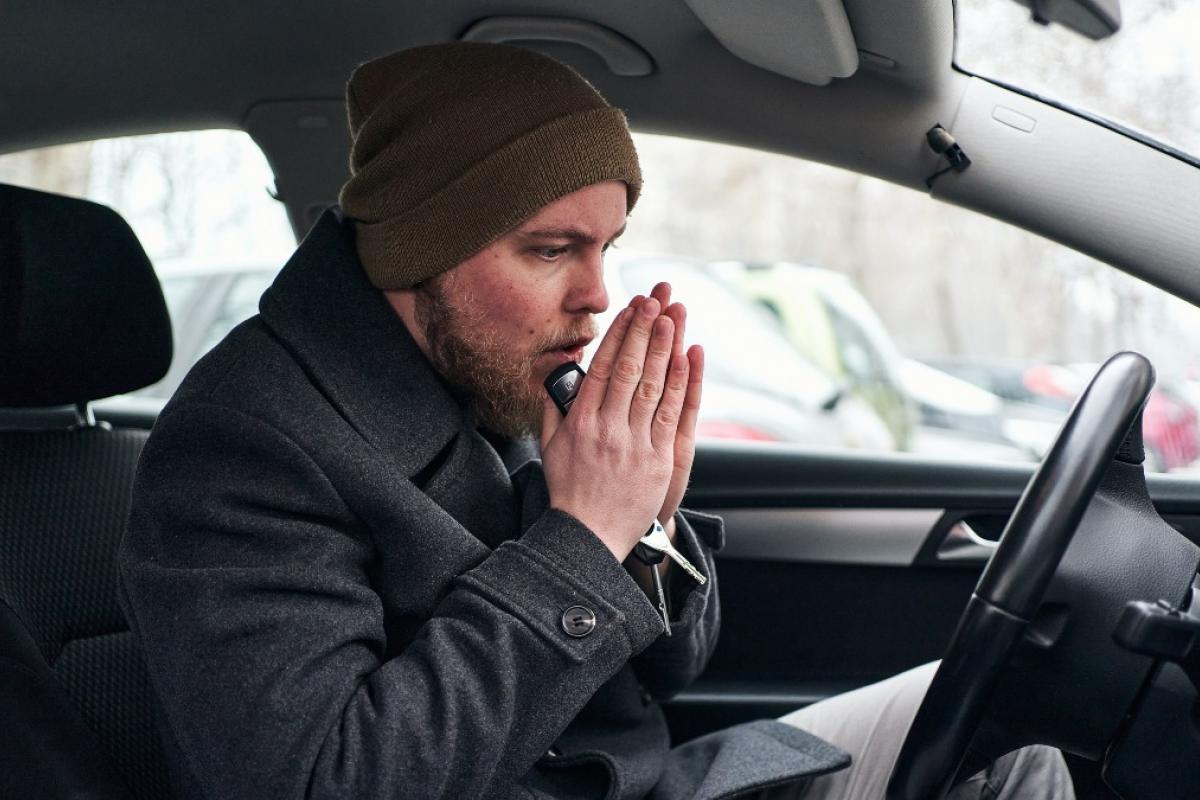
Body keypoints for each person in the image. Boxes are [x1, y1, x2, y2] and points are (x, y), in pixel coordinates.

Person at [119, 43, 1074, 800]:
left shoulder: (499, 370)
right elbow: (330, 782)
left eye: (608, 245)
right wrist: (584, 535)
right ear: (422, 248)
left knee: (1015, 724)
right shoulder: (246, 444)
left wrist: (648, 520)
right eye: (549, 250)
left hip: (661, 782)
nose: (596, 295)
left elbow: (669, 674)